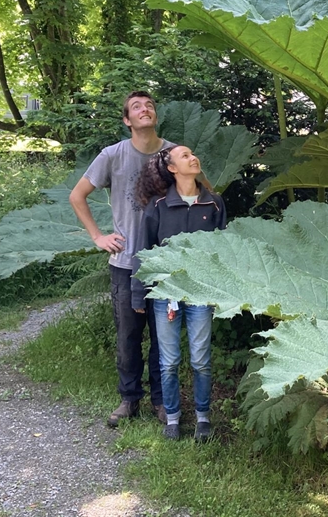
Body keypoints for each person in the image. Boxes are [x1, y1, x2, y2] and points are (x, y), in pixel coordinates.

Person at [68, 91, 173, 427]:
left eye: (150, 105)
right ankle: (129, 400)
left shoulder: (173, 154)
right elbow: (78, 195)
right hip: (126, 264)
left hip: (167, 264)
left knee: (163, 338)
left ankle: (161, 400)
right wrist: (98, 237)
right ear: (128, 120)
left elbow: (199, 191)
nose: (145, 109)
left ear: (155, 115)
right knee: (128, 337)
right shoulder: (113, 155)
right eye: (137, 107)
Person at [131, 145, 226, 441]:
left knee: (201, 359)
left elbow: (226, 251)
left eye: (193, 154)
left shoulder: (214, 204)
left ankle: (202, 417)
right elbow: (143, 252)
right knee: (168, 361)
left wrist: (223, 292)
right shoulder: (158, 206)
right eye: (185, 156)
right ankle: (172, 418)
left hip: (200, 293)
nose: (193, 158)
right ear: (172, 168)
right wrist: (138, 293)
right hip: (166, 295)